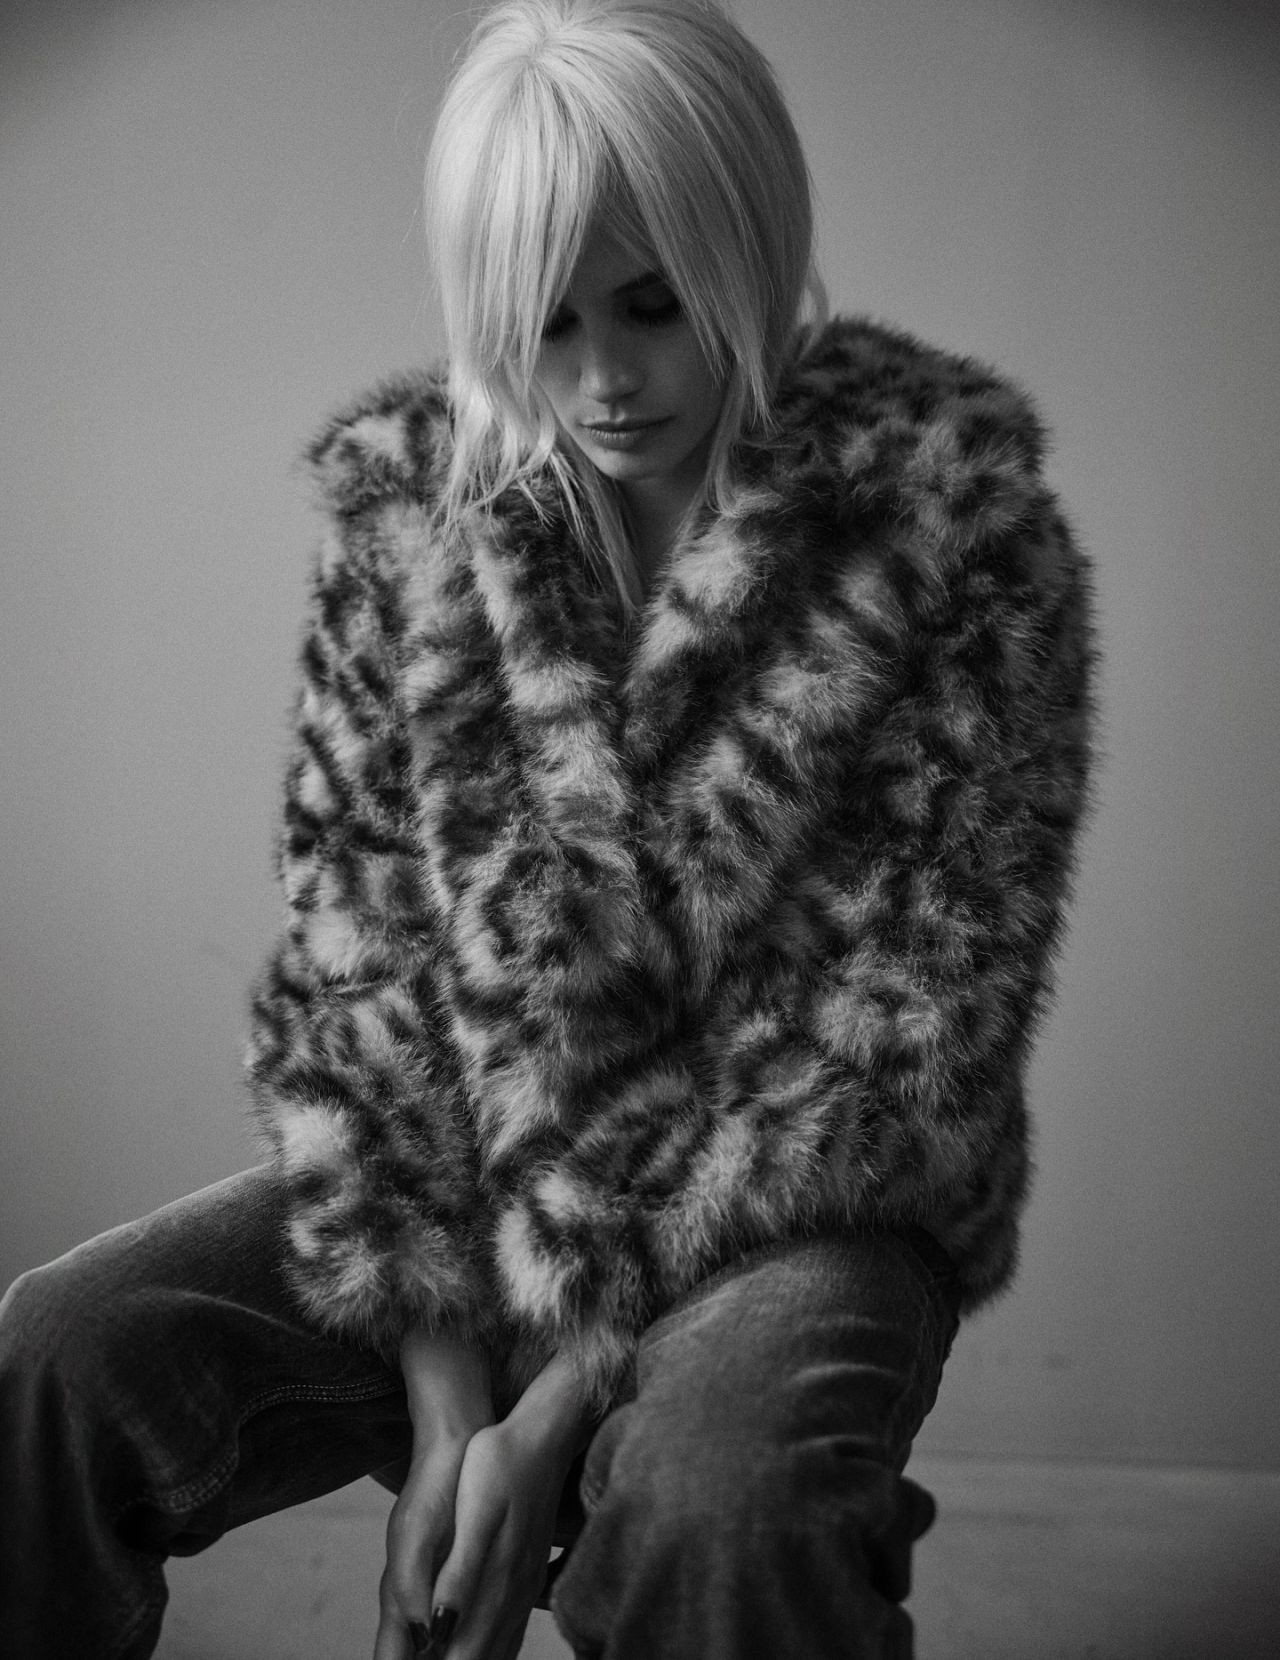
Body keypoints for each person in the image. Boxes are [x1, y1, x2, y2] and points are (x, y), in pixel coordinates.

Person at [0, 1, 1097, 1656]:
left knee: (724, 1505)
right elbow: (364, 983)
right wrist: (452, 1412)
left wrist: (561, 1403)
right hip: (462, 1200)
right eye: (541, 319)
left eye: (653, 303)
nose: (601, 377)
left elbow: (898, 1034)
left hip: (791, 1204)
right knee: (58, 1352)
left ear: (746, 249)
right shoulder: (410, 533)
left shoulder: (955, 538)